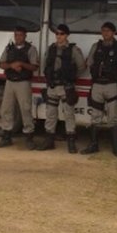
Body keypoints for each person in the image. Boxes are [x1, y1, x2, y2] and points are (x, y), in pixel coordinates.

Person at [83, 21, 117, 157]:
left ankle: (116, 148)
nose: (105, 33)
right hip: (97, 85)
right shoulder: (96, 46)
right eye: (103, 30)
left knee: (113, 117)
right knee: (95, 116)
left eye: (108, 31)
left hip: (112, 85)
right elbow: (89, 63)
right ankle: (93, 145)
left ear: (114, 32)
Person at [38, 24, 86, 153]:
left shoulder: (73, 49)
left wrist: (71, 77)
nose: (59, 36)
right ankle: (49, 141)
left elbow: (81, 67)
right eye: (57, 33)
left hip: (66, 87)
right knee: (50, 114)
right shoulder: (51, 49)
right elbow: (45, 64)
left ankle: (71, 141)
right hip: (52, 86)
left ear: (67, 35)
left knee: (69, 114)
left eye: (62, 34)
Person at [0, 26, 40, 149]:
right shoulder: (9, 48)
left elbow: (34, 66)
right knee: (6, 109)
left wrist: (21, 64)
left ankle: (29, 137)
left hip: (23, 82)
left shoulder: (31, 49)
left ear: (25, 36)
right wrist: (12, 65)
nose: (18, 37)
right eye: (16, 35)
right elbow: (1, 64)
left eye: (20, 35)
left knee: (25, 109)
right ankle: (6, 136)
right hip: (10, 82)